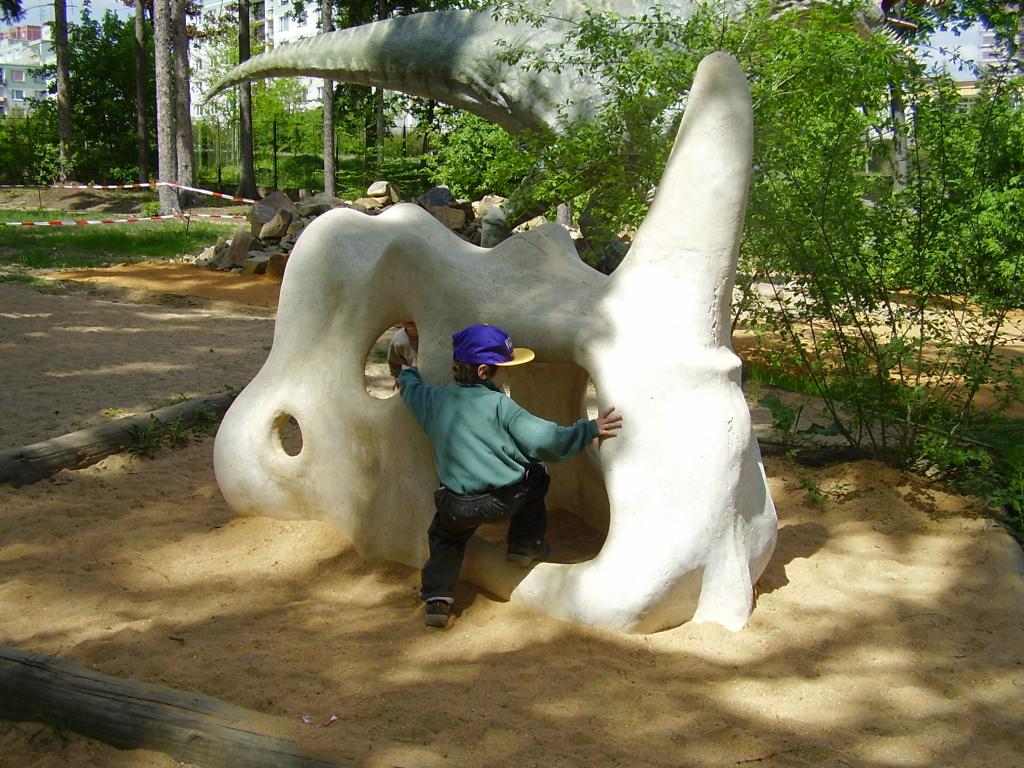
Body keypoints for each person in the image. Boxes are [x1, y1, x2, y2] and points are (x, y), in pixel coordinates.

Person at [397, 323, 623, 628]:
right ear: (483, 372)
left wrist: (407, 374)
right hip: (503, 501)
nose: (509, 375)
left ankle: (437, 598)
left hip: (456, 504)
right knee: (537, 473)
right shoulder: (502, 406)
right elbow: (546, 440)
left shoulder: (435, 400)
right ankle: (524, 544)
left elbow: (413, 392)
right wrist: (589, 429)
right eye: (504, 369)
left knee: (444, 536)